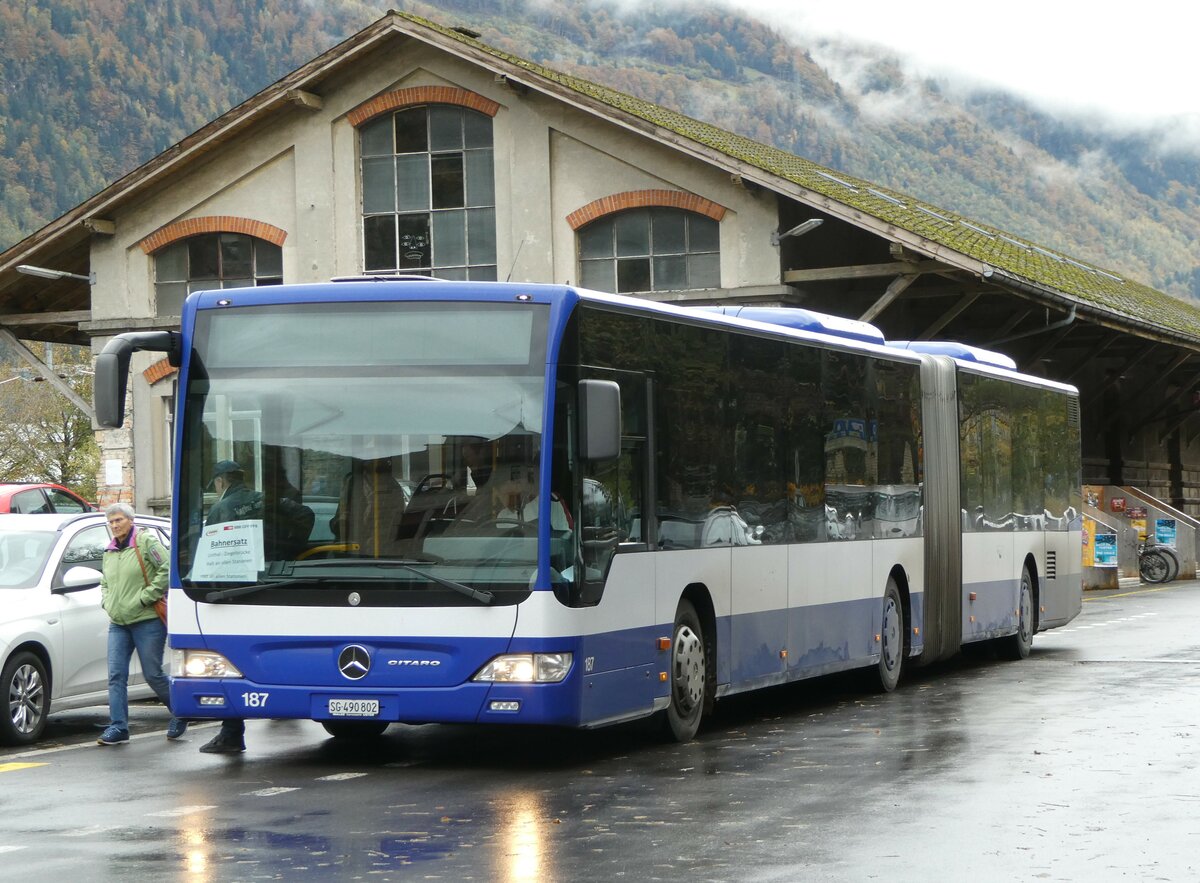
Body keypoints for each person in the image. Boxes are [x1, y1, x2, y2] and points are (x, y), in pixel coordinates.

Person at [97, 502, 187, 745]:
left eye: (119, 520)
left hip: (146, 620)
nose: (115, 525)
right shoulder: (110, 550)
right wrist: (106, 601)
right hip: (118, 623)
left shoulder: (146, 542)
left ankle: (181, 711)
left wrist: (146, 597)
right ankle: (118, 727)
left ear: (130, 520)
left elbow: (167, 568)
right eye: (111, 521)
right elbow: (105, 582)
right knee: (116, 675)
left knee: (153, 674)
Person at [205, 459, 263, 524]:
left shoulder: (218, 510)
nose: (216, 490)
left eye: (214, 485)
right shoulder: (262, 499)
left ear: (219, 481)